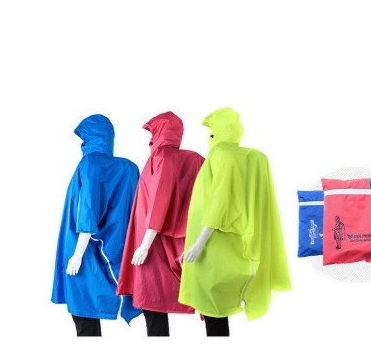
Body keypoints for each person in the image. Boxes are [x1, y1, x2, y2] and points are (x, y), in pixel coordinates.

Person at [178, 108, 290, 335]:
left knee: (214, 310)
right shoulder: (254, 158)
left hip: (213, 246)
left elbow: (219, 203)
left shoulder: (220, 154)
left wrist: (198, 244)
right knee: (217, 312)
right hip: (240, 244)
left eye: (211, 133)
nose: (209, 139)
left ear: (218, 132)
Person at [51, 114, 141, 336]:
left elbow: (88, 210)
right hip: (110, 247)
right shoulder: (127, 168)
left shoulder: (89, 163)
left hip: (84, 249)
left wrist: (77, 255)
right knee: (87, 311)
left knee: (82, 311)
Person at [117, 112, 204, 337]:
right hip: (159, 241)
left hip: (153, 246)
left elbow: (159, 201)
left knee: (152, 304)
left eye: (153, 133)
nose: (150, 140)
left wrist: (145, 245)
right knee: (153, 305)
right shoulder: (188, 159)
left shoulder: (163, 157)